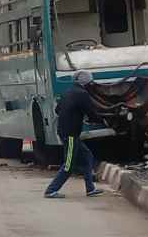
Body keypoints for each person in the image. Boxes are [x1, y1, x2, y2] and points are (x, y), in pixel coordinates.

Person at [44, 70, 105, 198]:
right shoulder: (82, 94)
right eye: (90, 82)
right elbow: (91, 112)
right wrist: (102, 120)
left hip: (66, 132)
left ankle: (90, 189)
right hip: (70, 134)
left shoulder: (68, 91)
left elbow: (57, 109)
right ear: (86, 83)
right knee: (69, 164)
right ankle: (51, 190)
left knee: (88, 156)